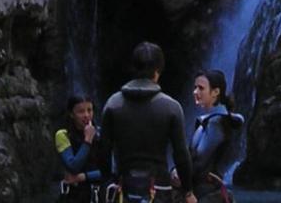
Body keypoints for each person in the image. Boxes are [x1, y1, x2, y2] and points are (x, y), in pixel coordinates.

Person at [100, 41, 196, 203]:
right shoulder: (171, 107)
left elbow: (104, 151)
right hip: (159, 188)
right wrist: (188, 191)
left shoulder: (112, 104)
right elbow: (181, 154)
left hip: (124, 187)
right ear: (158, 70)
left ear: (133, 67)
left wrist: (108, 181)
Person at [186, 70, 244, 202]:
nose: (195, 92)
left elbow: (199, 161)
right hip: (209, 192)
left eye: (201, 88)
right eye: (195, 87)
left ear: (215, 92)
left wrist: (180, 175)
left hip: (207, 194)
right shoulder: (214, 120)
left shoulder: (216, 122)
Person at [55, 95, 109, 201]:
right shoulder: (63, 135)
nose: (86, 115)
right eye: (81, 112)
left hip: (98, 194)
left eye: (89, 110)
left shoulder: (100, 134)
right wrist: (88, 140)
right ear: (71, 114)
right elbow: (73, 166)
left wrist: (82, 177)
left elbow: (109, 171)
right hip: (74, 195)